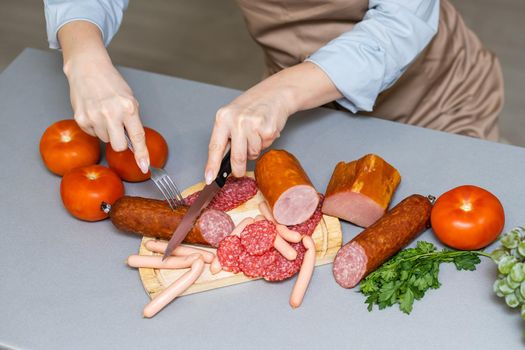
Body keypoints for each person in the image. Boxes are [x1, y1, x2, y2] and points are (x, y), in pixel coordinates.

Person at [44, 0, 503, 184]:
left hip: (437, 101)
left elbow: (401, 22)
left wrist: (283, 91)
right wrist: (82, 52)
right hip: (304, 107)